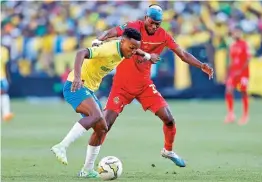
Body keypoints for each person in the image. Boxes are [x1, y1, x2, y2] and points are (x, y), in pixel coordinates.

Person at [85, 4, 214, 173]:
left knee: (169, 119)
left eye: (157, 24)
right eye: (152, 22)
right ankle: (87, 166)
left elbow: (182, 54)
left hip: (144, 86)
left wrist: (201, 65)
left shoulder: (163, 36)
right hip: (121, 86)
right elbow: (113, 32)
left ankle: (168, 150)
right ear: (146, 18)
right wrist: (100, 39)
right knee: (104, 126)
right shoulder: (133, 27)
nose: (154, 26)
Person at [51, 28, 149, 178]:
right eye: (131, 48)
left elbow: (134, 47)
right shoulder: (109, 50)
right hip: (75, 85)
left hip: (89, 89)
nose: (133, 52)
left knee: (102, 128)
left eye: (136, 48)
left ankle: (87, 169)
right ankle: (61, 147)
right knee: (96, 116)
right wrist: (77, 77)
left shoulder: (126, 48)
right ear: (122, 42)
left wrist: (146, 55)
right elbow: (80, 53)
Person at [225, 26, 250, 125]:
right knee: (229, 90)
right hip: (233, 72)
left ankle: (245, 115)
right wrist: (228, 73)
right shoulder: (232, 46)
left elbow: (247, 59)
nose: (236, 34)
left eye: (238, 32)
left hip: (243, 73)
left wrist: (240, 71)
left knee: (243, 92)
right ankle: (231, 114)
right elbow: (231, 61)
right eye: (235, 32)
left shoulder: (245, 45)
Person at [1, 46, 14, 122]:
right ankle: (6, 113)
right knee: (3, 94)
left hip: (2, 77)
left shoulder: (3, 50)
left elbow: (6, 66)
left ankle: (6, 114)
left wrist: (8, 76)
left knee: (3, 93)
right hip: (2, 77)